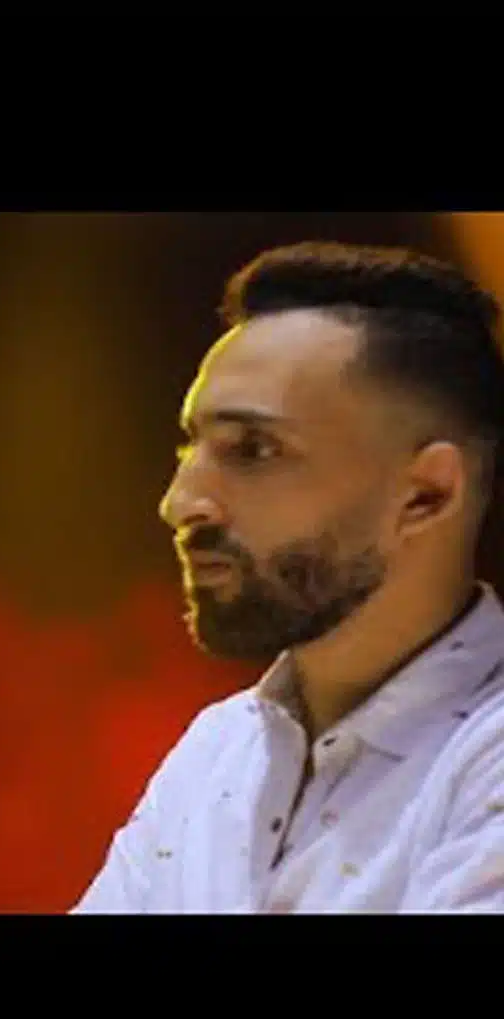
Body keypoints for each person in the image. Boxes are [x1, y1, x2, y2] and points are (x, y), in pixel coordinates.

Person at [73, 240, 504, 913]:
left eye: (253, 449)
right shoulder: (217, 751)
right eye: (190, 447)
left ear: (426, 494)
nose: (180, 503)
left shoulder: (486, 754)